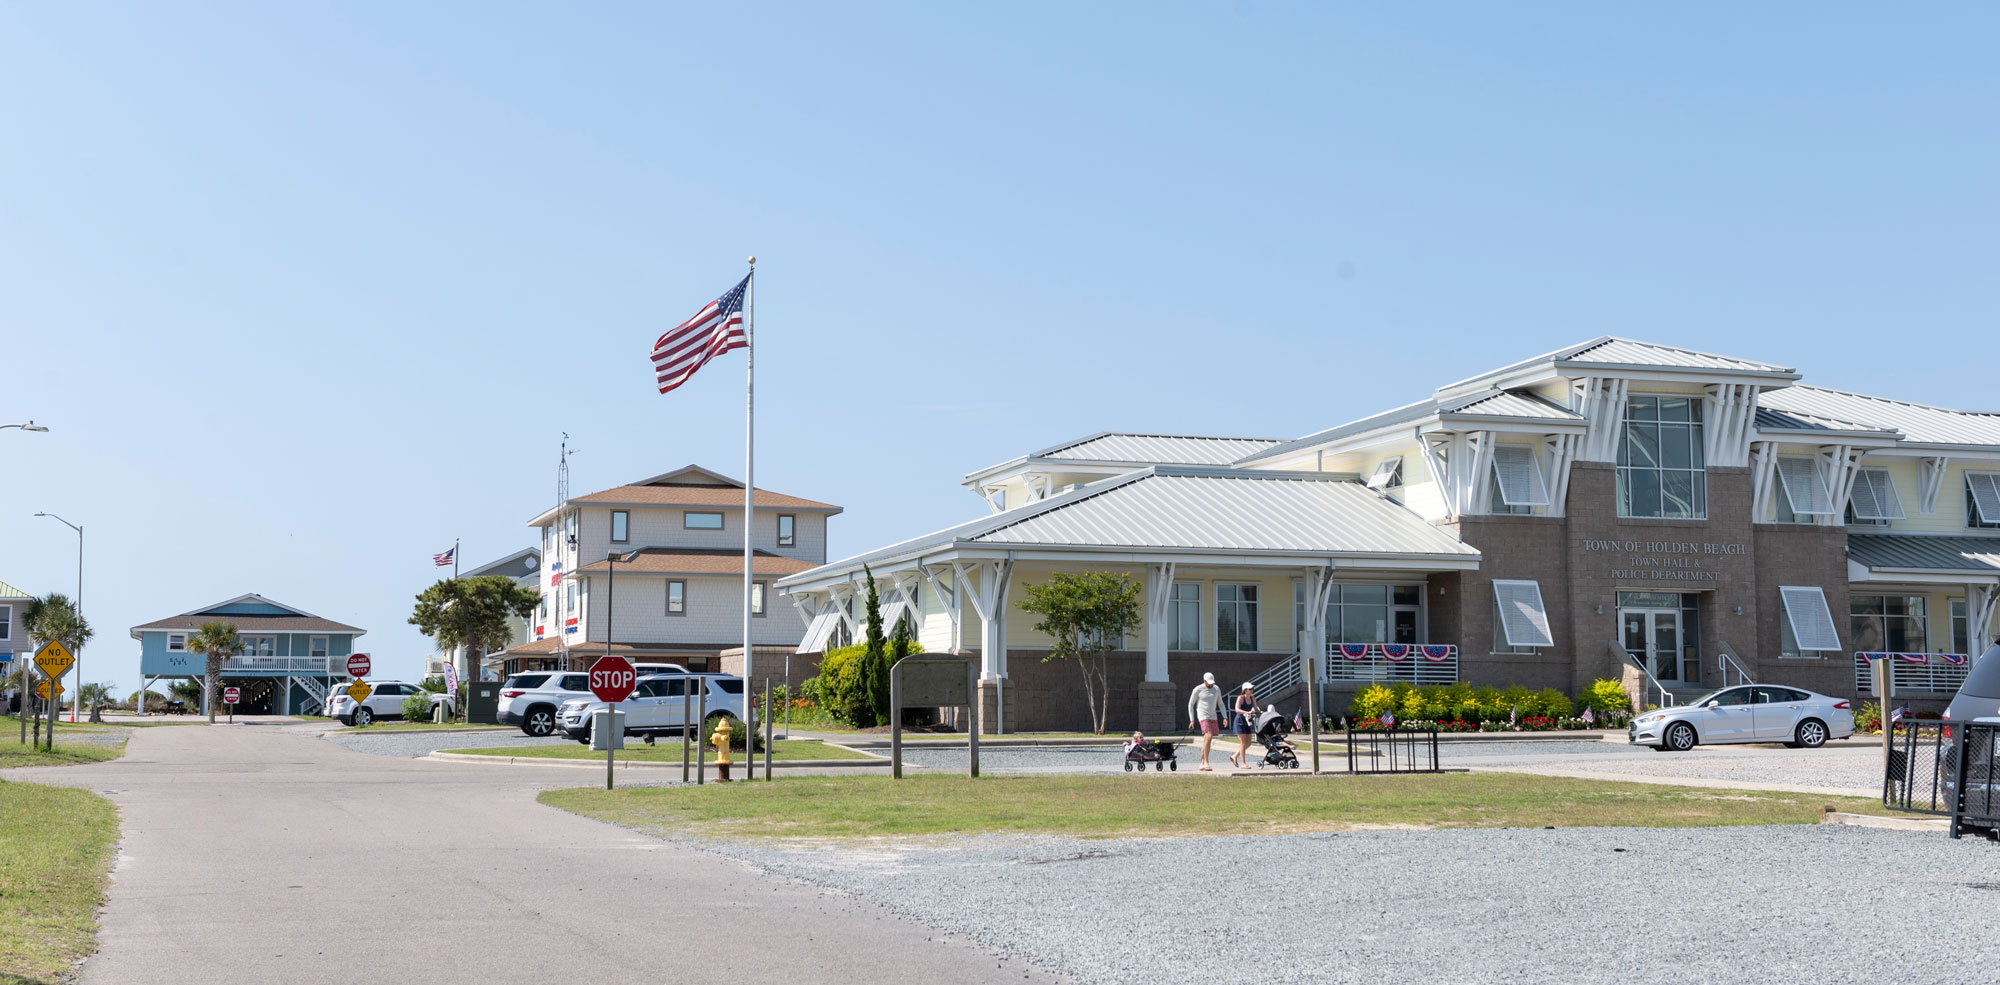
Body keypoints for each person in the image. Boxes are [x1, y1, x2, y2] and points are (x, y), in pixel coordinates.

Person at [1186, 672, 1224, 771]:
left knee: (1208, 739)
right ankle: (1206, 762)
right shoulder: (1198, 689)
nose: (1211, 685)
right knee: (1208, 735)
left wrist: (1225, 717)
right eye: (1209, 683)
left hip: (1213, 716)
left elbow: (1221, 703)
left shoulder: (1216, 689)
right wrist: (1192, 720)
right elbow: (1191, 704)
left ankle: (1202, 763)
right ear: (1204, 681)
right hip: (1202, 715)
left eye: (1212, 683)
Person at [1230, 682, 1258, 768]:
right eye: (1250, 689)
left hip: (1247, 722)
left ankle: (1234, 756)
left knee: (1248, 743)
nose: (1251, 690)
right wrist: (1247, 712)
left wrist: (1259, 712)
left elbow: (1256, 709)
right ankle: (1243, 763)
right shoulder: (1241, 698)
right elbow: (1237, 709)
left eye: (1252, 689)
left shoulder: (1253, 698)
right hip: (1240, 722)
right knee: (1243, 743)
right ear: (1245, 690)